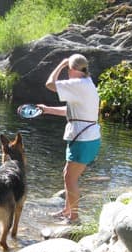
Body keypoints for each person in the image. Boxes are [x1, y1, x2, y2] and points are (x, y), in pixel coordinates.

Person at [37, 53, 101, 225]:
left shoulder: (78, 83)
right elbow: (72, 111)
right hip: (86, 137)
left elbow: (50, 84)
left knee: (70, 179)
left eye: (67, 69)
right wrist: (48, 109)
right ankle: (67, 211)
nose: (66, 72)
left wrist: (61, 64)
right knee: (67, 175)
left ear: (72, 69)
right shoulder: (87, 84)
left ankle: (73, 218)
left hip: (83, 139)